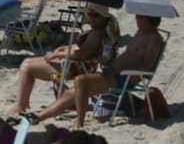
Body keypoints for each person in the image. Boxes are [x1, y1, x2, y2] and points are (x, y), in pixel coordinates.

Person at [28, 15, 164, 130]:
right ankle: (38, 117)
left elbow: (147, 66)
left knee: (81, 81)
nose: (136, 18)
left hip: (125, 77)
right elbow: (129, 55)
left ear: (147, 18)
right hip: (112, 72)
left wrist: (125, 71)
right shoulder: (140, 33)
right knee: (71, 92)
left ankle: (79, 124)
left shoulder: (154, 38)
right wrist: (109, 61)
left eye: (139, 16)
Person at [7, 3, 119, 118]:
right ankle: (23, 103)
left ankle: (20, 105)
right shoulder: (102, 30)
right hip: (82, 65)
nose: (92, 18)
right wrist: (65, 49)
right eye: (90, 14)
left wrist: (57, 54)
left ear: (104, 17)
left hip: (75, 67)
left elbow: (81, 54)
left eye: (96, 15)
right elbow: (85, 49)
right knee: (27, 62)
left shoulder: (97, 33)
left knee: (27, 67)